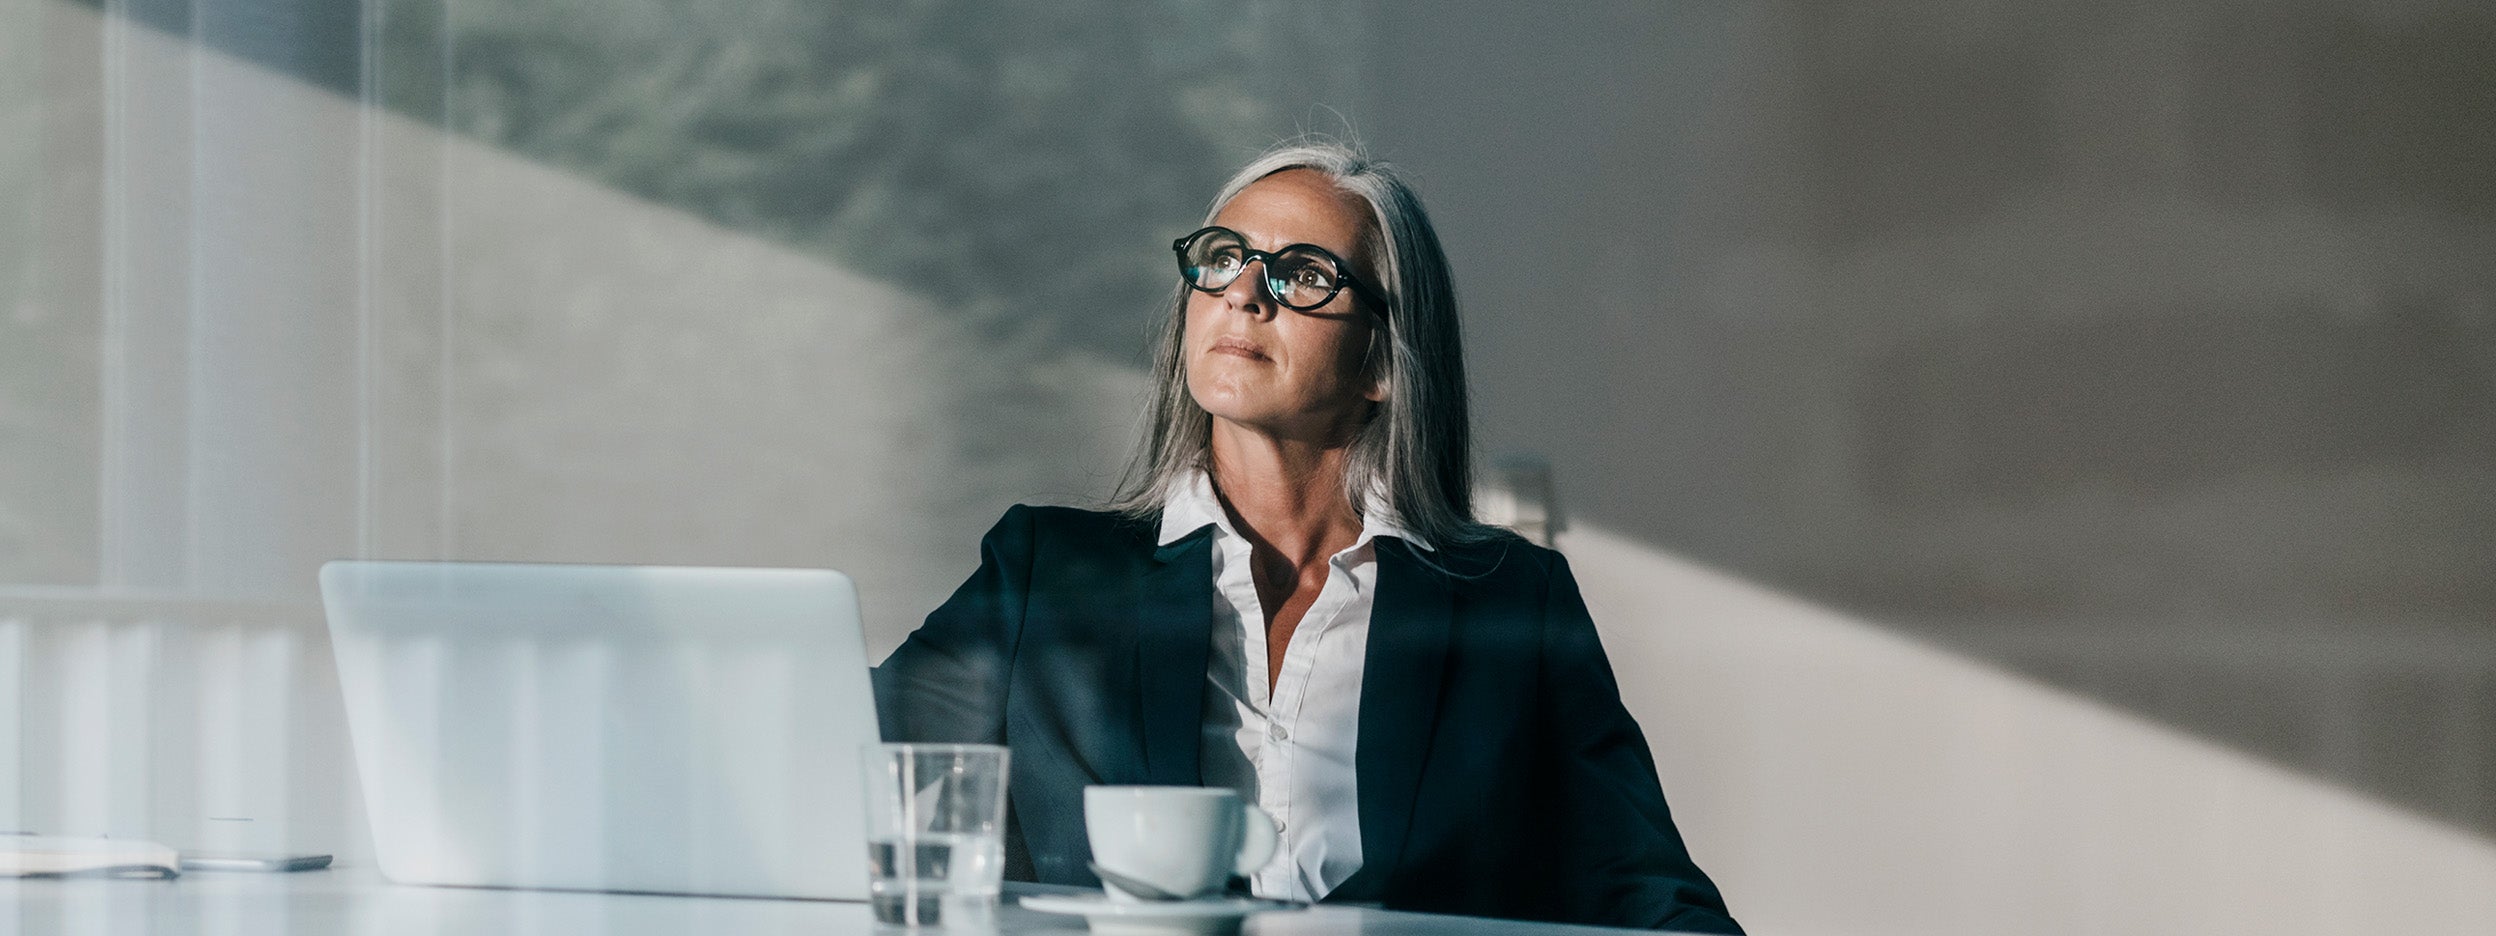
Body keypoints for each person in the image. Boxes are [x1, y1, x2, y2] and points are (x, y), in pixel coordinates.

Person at [873, 140, 1740, 933]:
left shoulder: (1511, 604)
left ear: (1382, 363)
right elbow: (834, 764)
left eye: (1304, 275)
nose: (1244, 293)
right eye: (1221, 260)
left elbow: (1653, 898)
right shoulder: (1046, 577)